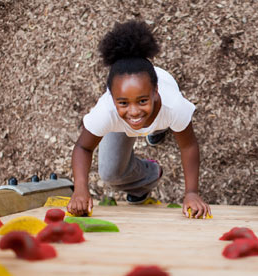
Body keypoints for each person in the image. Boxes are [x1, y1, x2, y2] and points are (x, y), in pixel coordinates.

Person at [67, 20, 211, 219]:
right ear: (112, 97)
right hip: (124, 123)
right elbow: (83, 147)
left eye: (142, 100)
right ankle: (149, 175)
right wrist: (80, 188)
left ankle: (159, 130)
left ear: (156, 91)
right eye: (123, 102)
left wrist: (192, 193)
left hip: (161, 114)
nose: (134, 111)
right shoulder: (106, 112)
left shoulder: (174, 106)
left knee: (161, 124)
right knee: (110, 174)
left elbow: (188, 146)